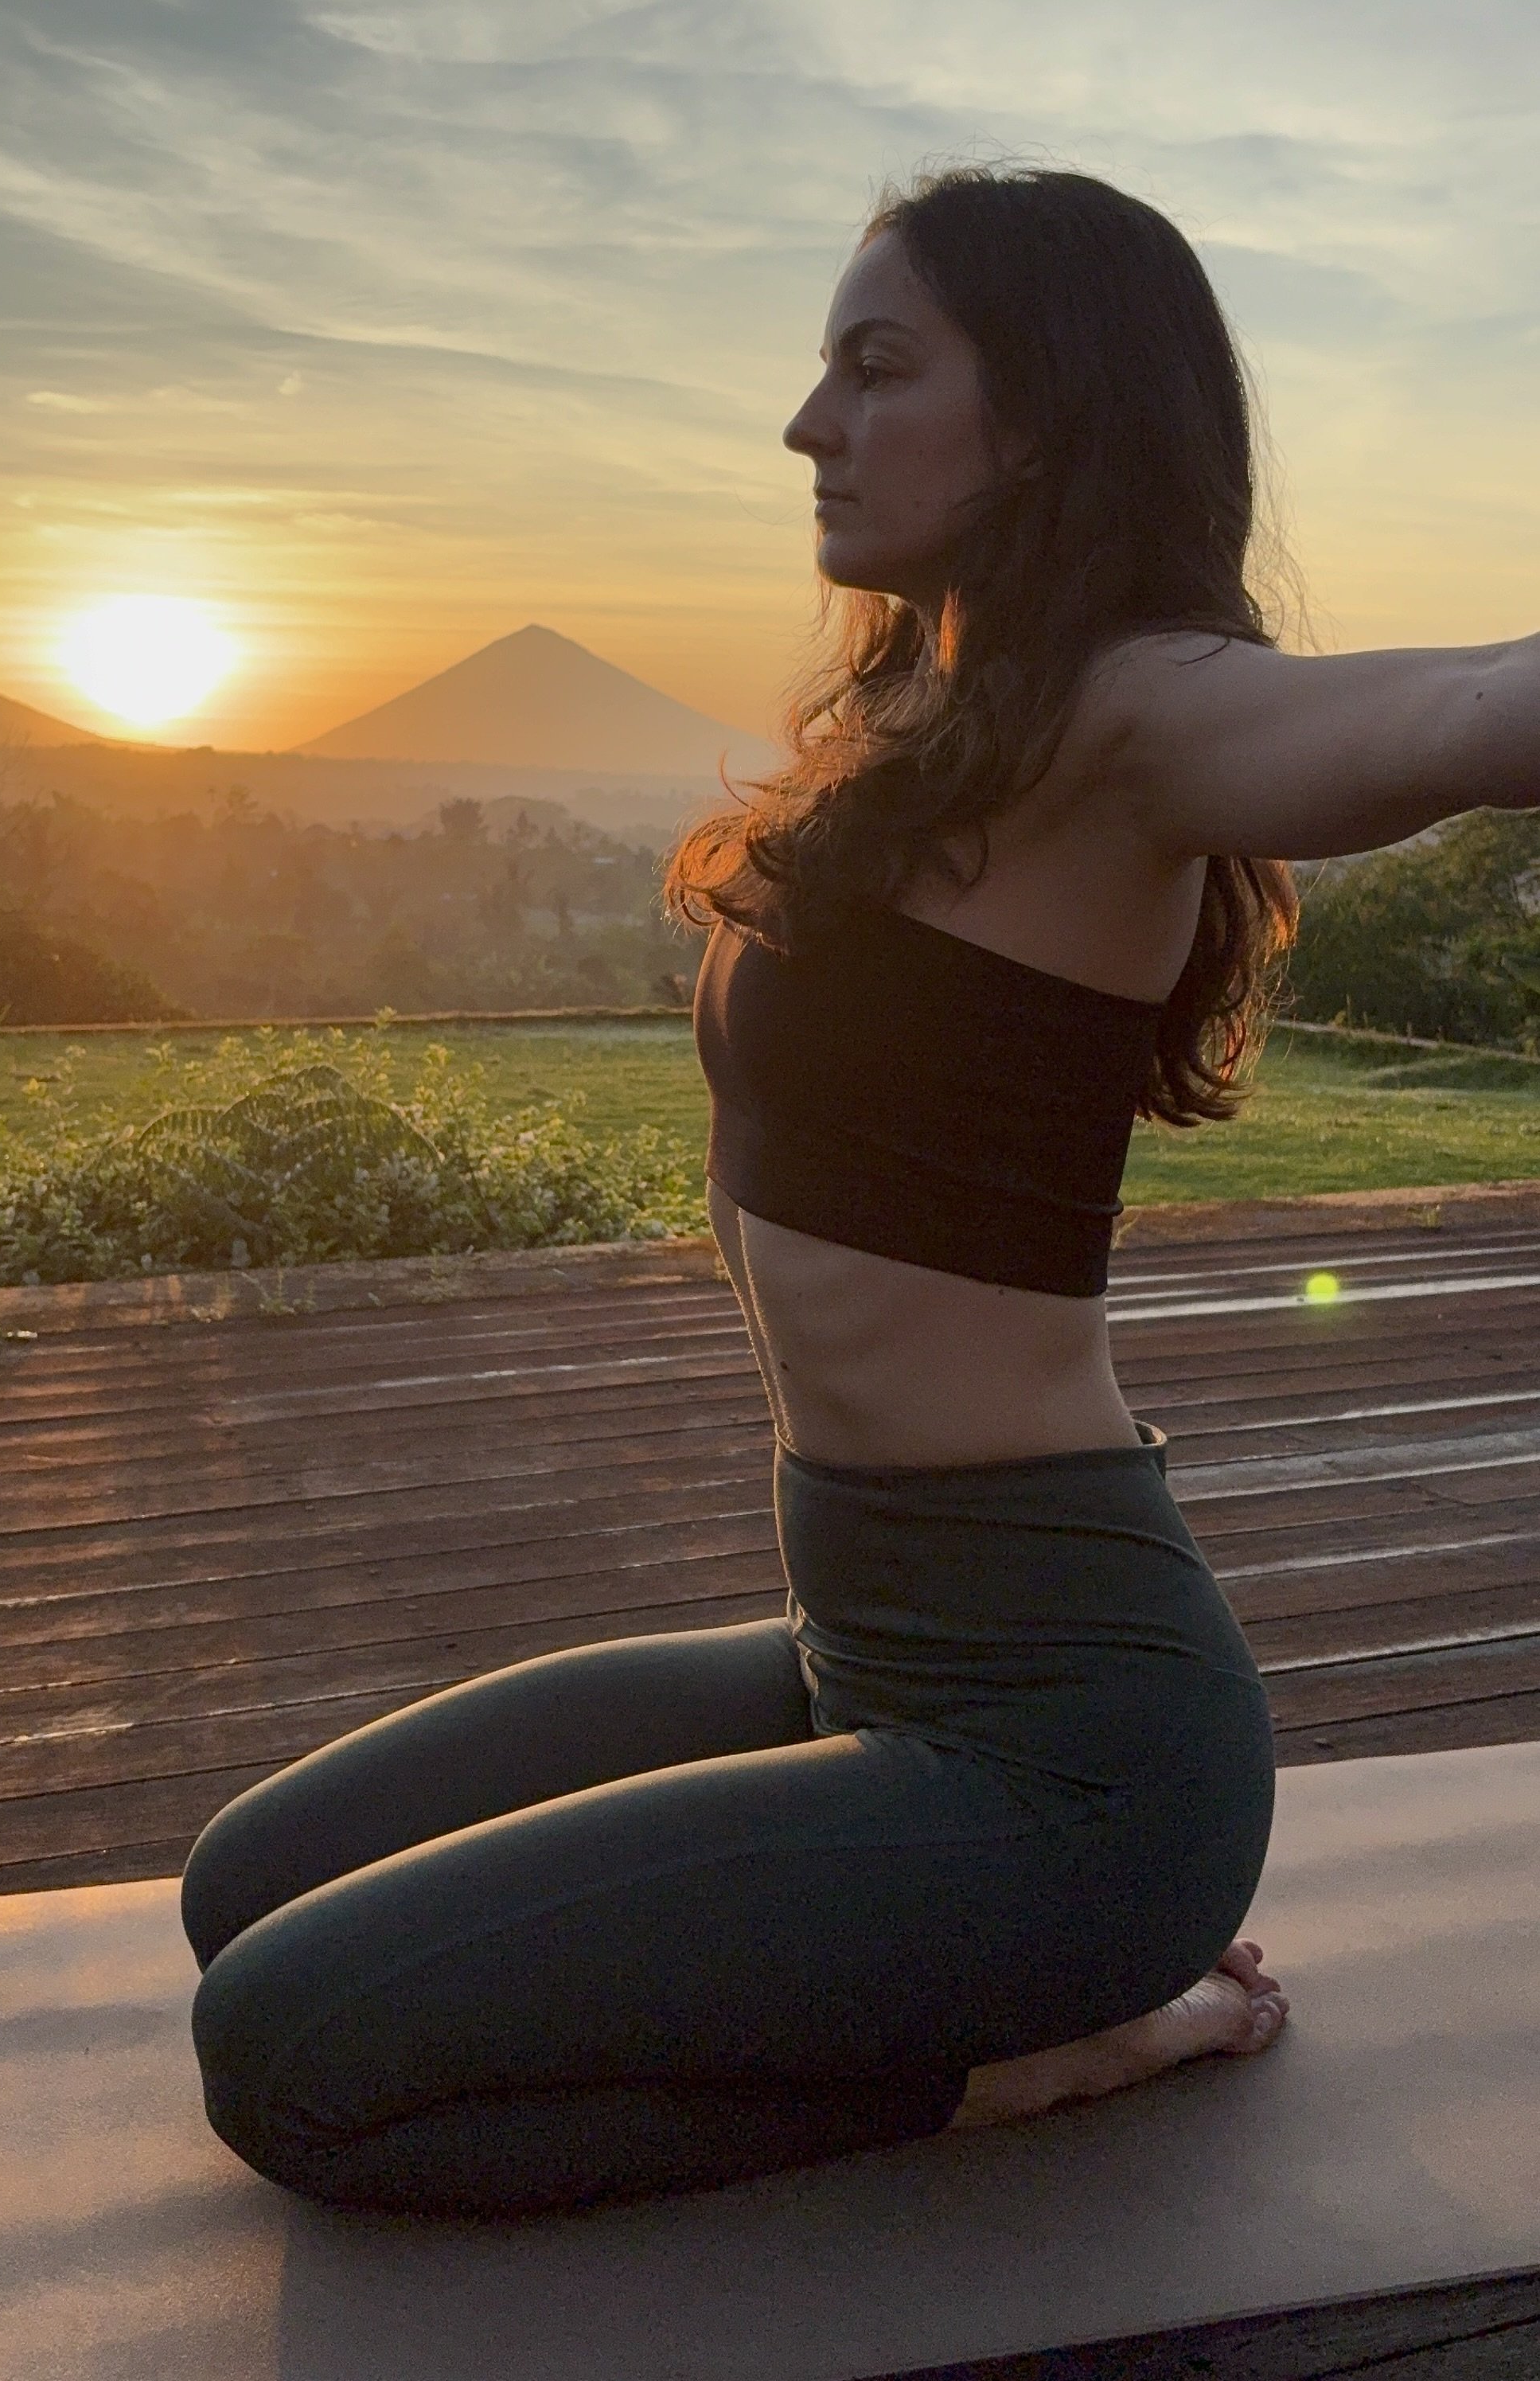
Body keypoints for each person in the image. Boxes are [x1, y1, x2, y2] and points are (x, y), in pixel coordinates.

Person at [189, 154, 1526, 2218]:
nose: (809, 423)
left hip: (1064, 1753)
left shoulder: (1125, 717)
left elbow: (1451, 708)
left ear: (1056, 410)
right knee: (238, 1890)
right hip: (855, 1641)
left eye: (875, 367)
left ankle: (1028, 2061)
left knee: (291, 2062)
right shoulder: (925, 718)